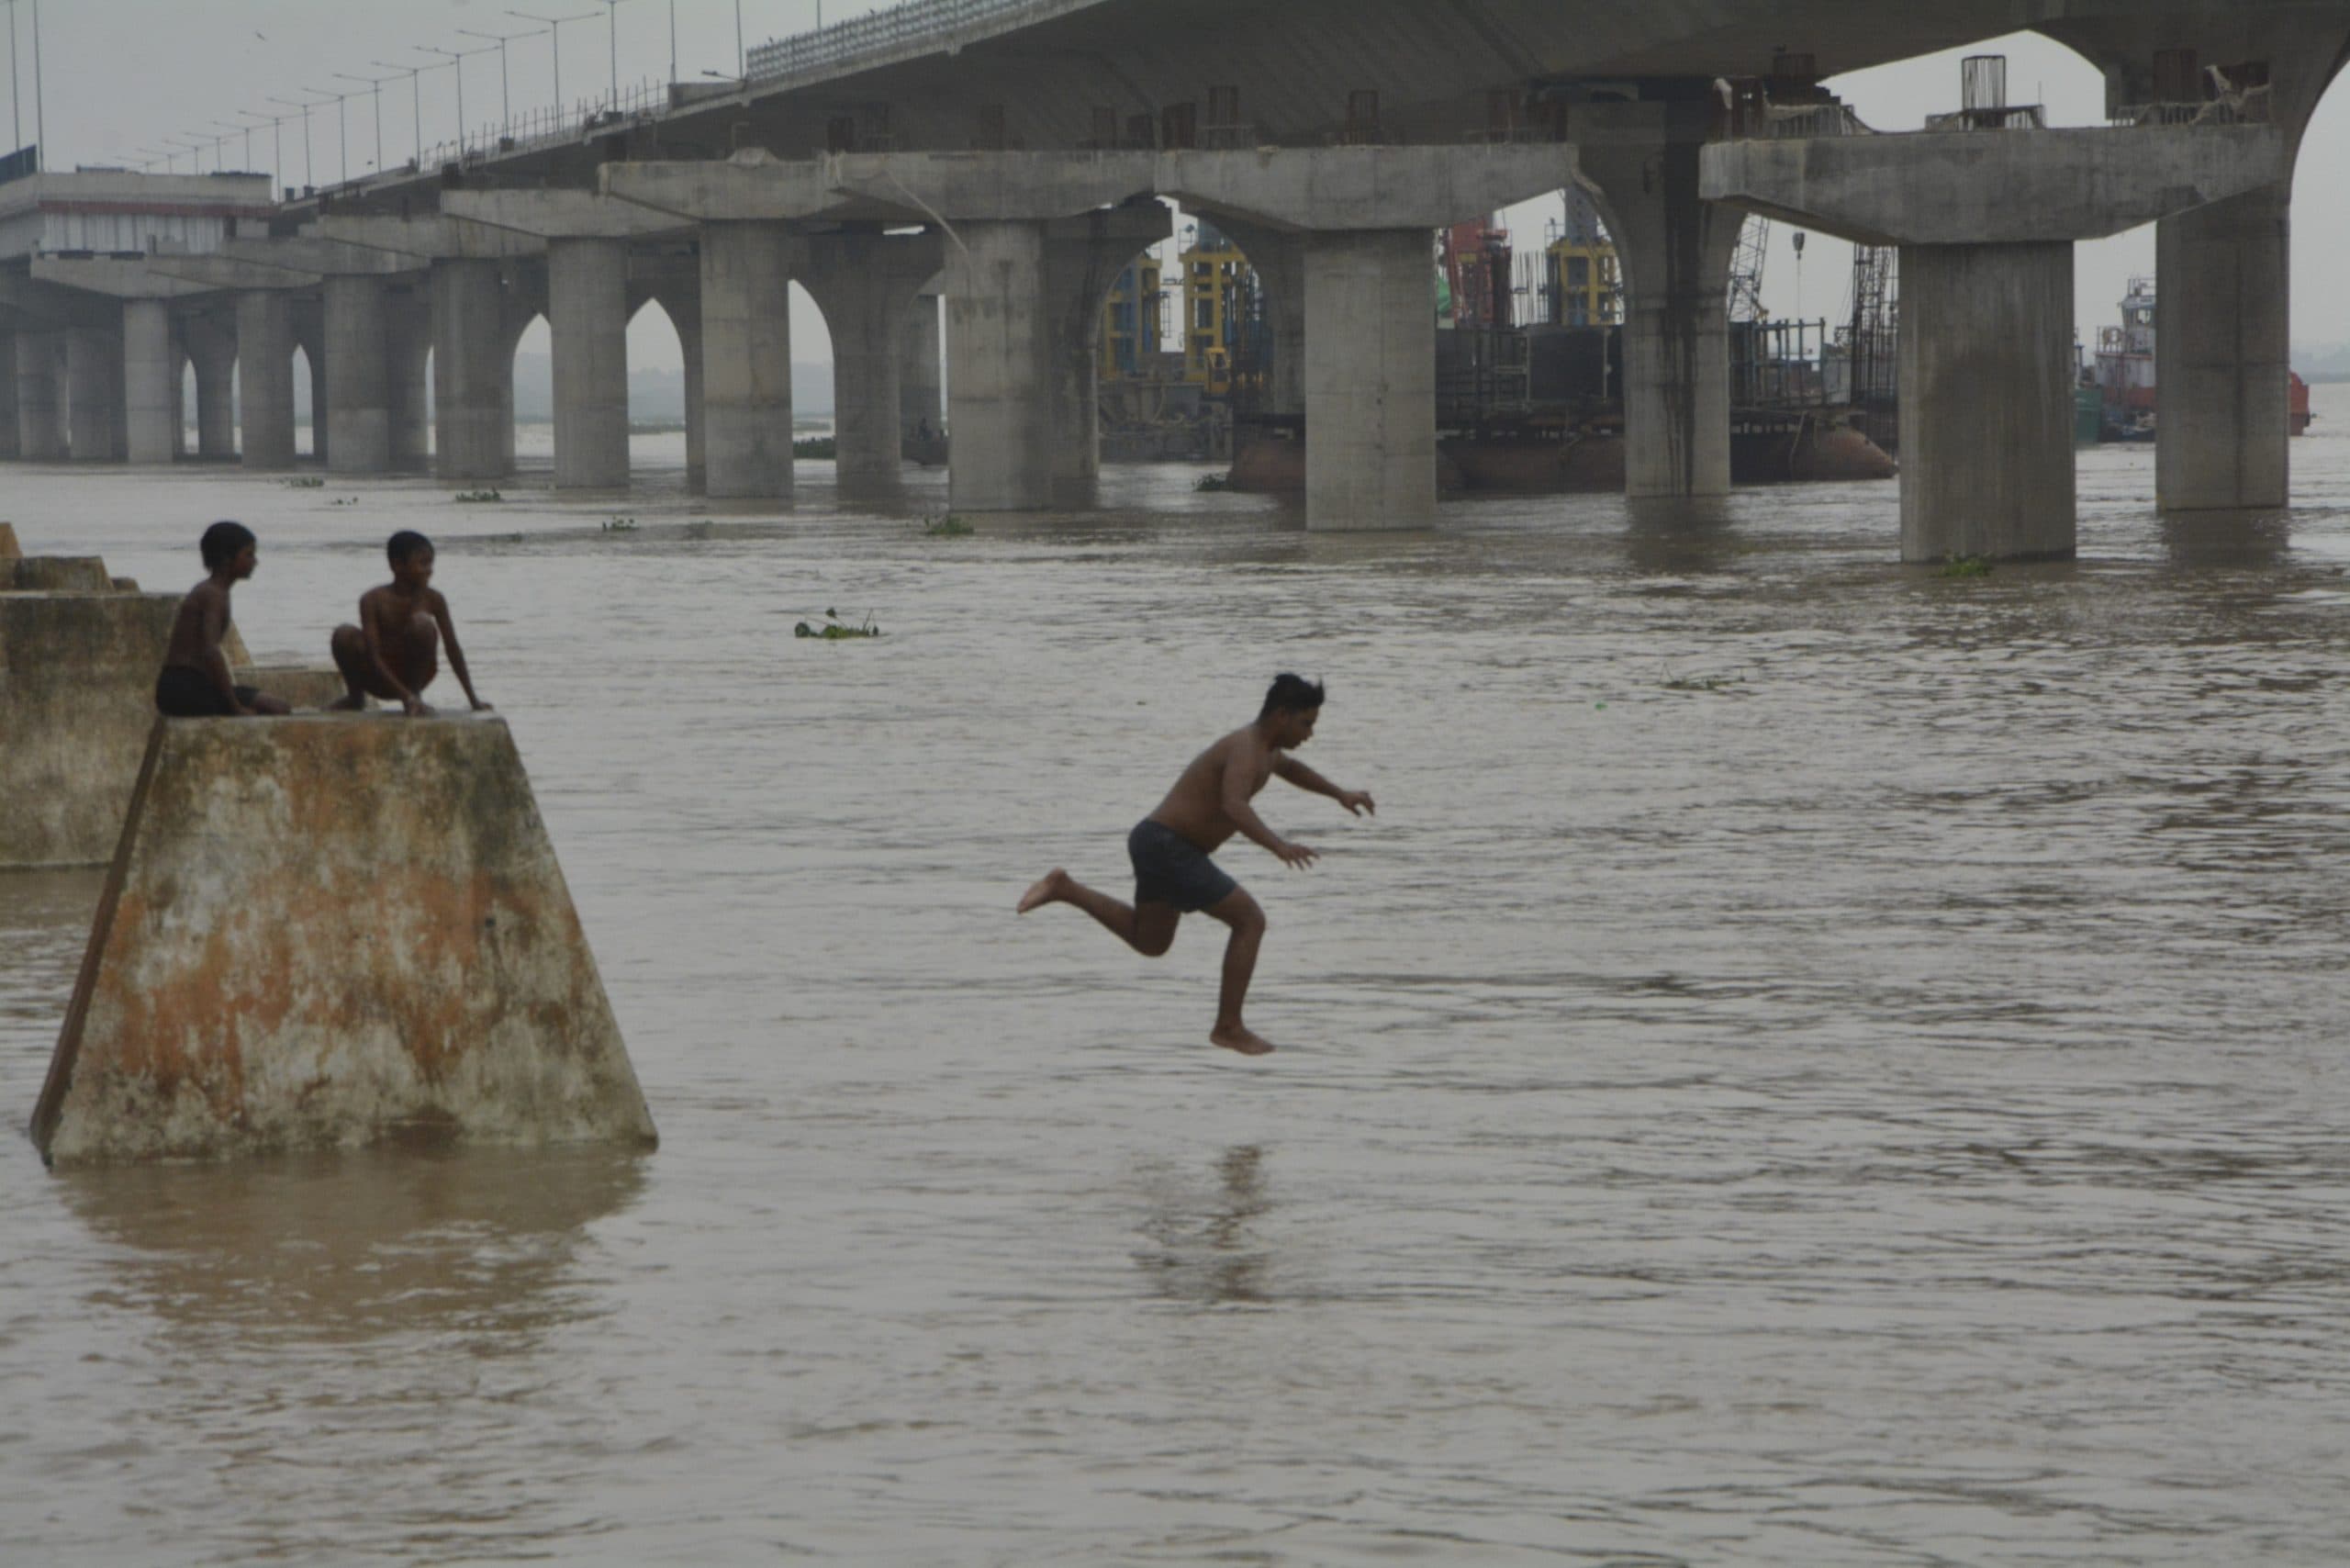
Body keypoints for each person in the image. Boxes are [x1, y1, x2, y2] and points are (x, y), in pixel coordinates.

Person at [1017, 674, 1373, 1057]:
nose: (1310, 734)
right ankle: (1228, 1027)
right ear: (1282, 715)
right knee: (1250, 920)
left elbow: (1292, 770)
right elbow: (1233, 804)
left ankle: (1065, 888)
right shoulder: (1245, 748)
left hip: (1156, 842)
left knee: (1150, 942)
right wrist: (1278, 846)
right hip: (1170, 846)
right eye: (1306, 723)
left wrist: (1339, 793)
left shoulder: (1266, 752)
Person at [330, 531, 490, 717]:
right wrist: (405, 697)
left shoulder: (434, 599)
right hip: (377, 678)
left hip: (414, 678)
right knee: (343, 634)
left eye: (430, 563)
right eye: (423, 563)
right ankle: (355, 698)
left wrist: (473, 699)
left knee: (422, 624)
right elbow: (373, 655)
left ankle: (416, 695)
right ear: (397, 565)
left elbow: (452, 649)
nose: (429, 570)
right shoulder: (372, 600)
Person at [154, 521, 292, 718]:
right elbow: (210, 650)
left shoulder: (213, 591)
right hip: (184, 688)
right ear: (227, 559)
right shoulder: (213, 595)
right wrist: (235, 706)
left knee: (276, 706)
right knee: (277, 708)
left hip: (180, 686)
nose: (255, 562)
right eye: (249, 555)